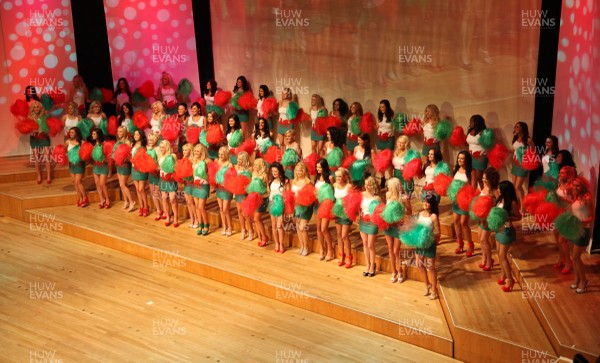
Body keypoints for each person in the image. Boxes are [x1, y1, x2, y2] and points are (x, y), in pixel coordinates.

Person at [567, 177, 595, 293]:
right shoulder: (574, 196)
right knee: (573, 257)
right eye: (574, 185)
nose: (575, 187)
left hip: (583, 231)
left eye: (578, 186)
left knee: (576, 257)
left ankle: (584, 281)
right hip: (573, 229)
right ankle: (577, 278)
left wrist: (580, 222)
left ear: (583, 186)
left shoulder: (588, 198)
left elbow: (591, 217)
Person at [495, 181, 522, 292]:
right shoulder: (500, 198)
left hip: (507, 230)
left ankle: (510, 280)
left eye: (499, 188)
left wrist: (509, 219)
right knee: (498, 253)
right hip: (498, 229)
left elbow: (519, 217)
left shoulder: (513, 203)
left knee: (502, 255)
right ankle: (504, 275)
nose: (498, 190)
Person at [416, 194, 441, 299]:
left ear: (431, 204)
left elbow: (438, 232)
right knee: (419, 265)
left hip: (429, 244)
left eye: (427, 202)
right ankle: (427, 285)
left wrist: (428, 235)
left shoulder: (433, 217)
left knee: (430, 267)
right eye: (424, 201)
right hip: (419, 244)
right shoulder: (420, 214)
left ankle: (434, 290)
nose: (424, 203)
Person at [552, 166, 576, 273]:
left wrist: (562, 200)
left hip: (568, 215)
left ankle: (568, 262)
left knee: (562, 240)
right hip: (559, 214)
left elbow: (576, 202)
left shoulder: (572, 187)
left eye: (562, 173)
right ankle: (561, 259)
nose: (559, 175)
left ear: (568, 175)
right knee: (557, 237)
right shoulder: (560, 184)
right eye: (560, 173)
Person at [477, 167, 500, 271]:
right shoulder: (484, 186)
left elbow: (499, 204)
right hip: (481, 218)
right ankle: (484, 258)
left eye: (486, 179)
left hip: (488, 219)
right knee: (480, 239)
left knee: (484, 239)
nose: (483, 180)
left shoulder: (495, 190)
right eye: (483, 178)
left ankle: (490, 261)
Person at [452, 151, 474, 256]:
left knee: (463, 223)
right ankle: (460, 244)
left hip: (465, 200)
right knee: (456, 222)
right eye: (458, 158)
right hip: (456, 200)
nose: (459, 160)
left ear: (467, 160)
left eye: (462, 158)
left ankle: (470, 245)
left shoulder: (471, 171)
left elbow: (473, 188)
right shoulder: (456, 169)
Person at [384, 178, 404, 282]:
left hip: (398, 227)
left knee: (396, 251)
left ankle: (400, 271)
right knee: (390, 249)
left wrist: (400, 220)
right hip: (388, 226)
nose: (387, 186)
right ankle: (394, 271)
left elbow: (407, 212)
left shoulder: (402, 197)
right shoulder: (387, 195)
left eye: (389, 185)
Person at [314, 159, 335, 261]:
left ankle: (330, 250)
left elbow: (333, 191)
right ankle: (322, 249)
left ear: (324, 167)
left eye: (320, 167)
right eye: (317, 167)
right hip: (317, 205)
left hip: (326, 205)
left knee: (324, 229)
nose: (318, 169)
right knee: (318, 228)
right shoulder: (317, 177)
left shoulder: (330, 178)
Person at [510, 121, 534, 212]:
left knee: (518, 187)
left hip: (523, 165)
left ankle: (523, 208)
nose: (516, 128)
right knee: (515, 187)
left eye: (518, 127)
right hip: (515, 164)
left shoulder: (528, 140)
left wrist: (524, 161)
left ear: (523, 128)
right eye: (515, 126)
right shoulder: (515, 138)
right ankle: (518, 206)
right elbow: (514, 150)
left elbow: (532, 152)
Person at [292, 162, 314, 256]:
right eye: (297, 170)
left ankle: (307, 247)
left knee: (303, 227)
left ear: (304, 171)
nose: (298, 172)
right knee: (297, 227)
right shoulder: (294, 181)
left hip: (305, 208)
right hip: (296, 206)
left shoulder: (308, 182)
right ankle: (302, 246)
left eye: (300, 170)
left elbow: (311, 197)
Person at [360, 177, 380, 277]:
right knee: (364, 243)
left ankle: (372, 265)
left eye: (368, 184)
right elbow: (358, 207)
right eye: (365, 184)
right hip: (363, 221)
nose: (366, 186)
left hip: (372, 222)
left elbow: (380, 212)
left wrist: (372, 217)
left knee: (370, 245)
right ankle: (367, 265)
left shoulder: (377, 198)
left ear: (373, 185)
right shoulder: (361, 194)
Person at [334, 167, 354, 268]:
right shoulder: (334, 185)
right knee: (338, 234)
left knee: (344, 235)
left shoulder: (349, 186)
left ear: (345, 177)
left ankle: (349, 257)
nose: (338, 178)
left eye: (340, 176)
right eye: (336, 176)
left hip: (346, 212)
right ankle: (341, 255)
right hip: (337, 212)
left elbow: (353, 200)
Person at [28, 101, 52, 184]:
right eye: (34, 107)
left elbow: (50, 127)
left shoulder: (45, 116)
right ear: (32, 109)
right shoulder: (30, 117)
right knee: (36, 158)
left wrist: (45, 131)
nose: (36, 109)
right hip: (34, 138)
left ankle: (49, 176)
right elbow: (27, 129)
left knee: (47, 157)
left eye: (38, 107)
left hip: (44, 138)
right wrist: (31, 131)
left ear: (40, 108)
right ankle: (39, 176)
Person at [113, 126, 136, 212]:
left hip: (125, 165)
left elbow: (129, 155)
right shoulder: (118, 142)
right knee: (121, 185)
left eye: (121, 132)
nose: (119, 133)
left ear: (125, 132)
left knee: (123, 184)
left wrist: (122, 159)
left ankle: (132, 202)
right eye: (118, 131)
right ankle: (126, 202)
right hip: (118, 165)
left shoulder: (128, 142)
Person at [269, 162, 290, 252]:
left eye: (276, 171)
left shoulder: (285, 181)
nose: (274, 173)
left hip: (281, 205)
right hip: (273, 204)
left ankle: (282, 244)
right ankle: (276, 244)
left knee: (279, 226)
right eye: (273, 171)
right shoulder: (270, 181)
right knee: (273, 226)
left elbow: (288, 195)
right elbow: (270, 193)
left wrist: (285, 205)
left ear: (280, 171)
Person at [157, 140, 179, 227]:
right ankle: (168, 217)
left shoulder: (172, 155)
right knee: (164, 198)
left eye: (163, 147)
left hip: (171, 180)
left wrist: (172, 174)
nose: (161, 149)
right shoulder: (159, 155)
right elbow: (160, 166)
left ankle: (176, 218)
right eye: (160, 147)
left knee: (173, 199)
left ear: (167, 147)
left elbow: (176, 167)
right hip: (162, 179)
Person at [65, 127, 88, 207]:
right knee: (74, 182)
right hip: (71, 165)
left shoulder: (82, 142)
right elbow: (65, 152)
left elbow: (85, 154)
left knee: (78, 182)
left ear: (76, 133)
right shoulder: (67, 142)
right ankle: (80, 198)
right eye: (70, 132)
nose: (70, 134)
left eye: (72, 132)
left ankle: (85, 197)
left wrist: (80, 159)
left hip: (79, 164)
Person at [392, 136, 414, 216]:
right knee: (398, 199)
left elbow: (413, 167)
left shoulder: (409, 154)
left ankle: (409, 217)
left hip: (406, 177)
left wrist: (406, 170)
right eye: (399, 142)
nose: (401, 144)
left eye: (403, 142)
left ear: (406, 144)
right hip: (396, 176)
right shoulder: (395, 152)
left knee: (406, 199)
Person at [234, 151, 254, 240]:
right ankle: (243, 229)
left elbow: (251, 181)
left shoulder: (250, 169)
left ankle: (251, 230)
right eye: (238, 159)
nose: (239, 161)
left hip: (246, 192)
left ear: (245, 160)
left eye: (241, 160)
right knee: (239, 210)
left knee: (246, 212)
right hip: (238, 192)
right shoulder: (236, 167)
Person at [191, 144, 210, 236]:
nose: (196, 153)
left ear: (202, 152)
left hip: (204, 186)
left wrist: (203, 181)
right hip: (195, 186)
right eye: (195, 151)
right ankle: (200, 224)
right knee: (197, 207)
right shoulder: (194, 161)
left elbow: (211, 174)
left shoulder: (207, 161)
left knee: (201, 207)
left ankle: (206, 225)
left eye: (198, 151)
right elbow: (194, 174)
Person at [376, 100, 395, 188]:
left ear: (387, 107)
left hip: (389, 140)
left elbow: (396, 127)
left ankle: (390, 179)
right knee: (381, 161)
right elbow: (377, 127)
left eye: (383, 107)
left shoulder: (392, 115)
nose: (381, 109)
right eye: (380, 107)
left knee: (388, 161)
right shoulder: (379, 116)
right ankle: (383, 178)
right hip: (380, 139)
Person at [251, 158, 270, 246]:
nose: (254, 166)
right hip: (255, 197)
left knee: (257, 218)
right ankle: (261, 237)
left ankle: (264, 237)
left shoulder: (265, 175)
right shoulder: (253, 173)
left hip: (263, 198)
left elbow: (267, 188)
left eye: (256, 165)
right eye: (254, 165)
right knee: (255, 219)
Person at [466, 114, 488, 189]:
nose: (471, 123)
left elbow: (488, 144)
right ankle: (473, 194)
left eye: (472, 121)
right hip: (470, 157)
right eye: (470, 121)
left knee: (479, 178)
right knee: (471, 177)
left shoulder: (484, 132)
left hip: (480, 157)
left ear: (477, 122)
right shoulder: (470, 131)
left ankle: (484, 193)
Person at [131, 130, 149, 217]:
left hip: (141, 169)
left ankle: (146, 206)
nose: (135, 135)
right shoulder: (132, 145)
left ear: (141, 135)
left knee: (141, 189)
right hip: (134, 169)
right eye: (134, 134)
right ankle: (141, 206)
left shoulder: (144, 146)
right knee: (137, 189)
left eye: (137, 134)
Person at [90, 129, 110, 208]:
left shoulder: (104, 144)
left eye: (94, 134)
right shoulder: (93, 144)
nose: (92, 135)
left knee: (102, 184)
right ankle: (102, 200)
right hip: (96, 167)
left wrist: (104, 160)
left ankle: (108, 199)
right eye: (92, 134)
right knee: (97, 184)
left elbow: (109, 156)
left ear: (98, 135)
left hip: (103, 166)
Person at [216, 146, 233, 235]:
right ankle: (224, 226)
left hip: (226, 189)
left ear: (226, 154)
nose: (220, 156)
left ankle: (230, 227)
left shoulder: (229, 164)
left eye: (222, 154)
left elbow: (230, 177)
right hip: (218, 188)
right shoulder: (217, 162)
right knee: (221, 209)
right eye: (219, 154)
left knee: (226, 209)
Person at [181, 143, 198, 229]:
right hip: (186, 183)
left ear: (190, 150)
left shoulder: (193, 160)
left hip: (191, 183)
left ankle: (196, 219)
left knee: (191, 202)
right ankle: (192, 219)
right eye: (183, 150)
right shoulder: (183, 159)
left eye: (186, 150)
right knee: (188, 202)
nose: (184, 151)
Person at [147, 133, 163, 220]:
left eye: (152, 140)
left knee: (158, 193)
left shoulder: (158, 149)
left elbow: (160, 162)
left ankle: (165, 210)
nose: (150, 142)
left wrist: (156, 170)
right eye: (149, 140)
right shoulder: (148, 148)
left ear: (156, 140)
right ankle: (158, 210)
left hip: (156, 173)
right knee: (153, 193)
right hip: (150, 173)